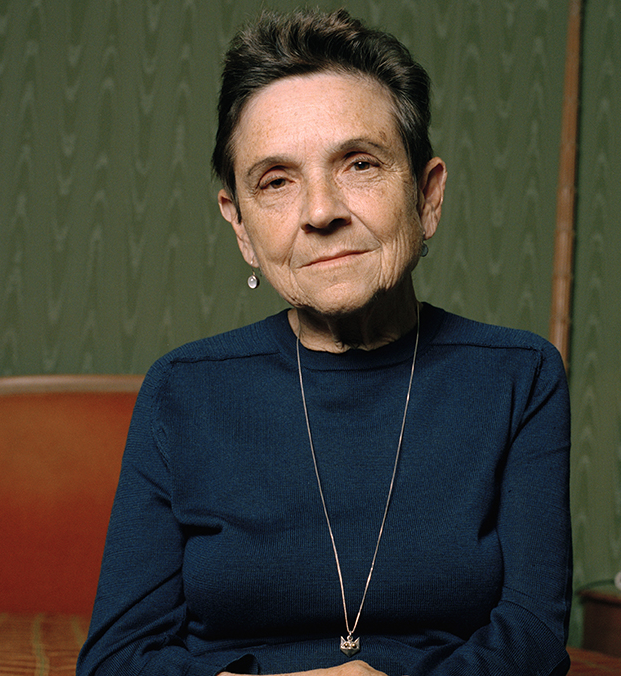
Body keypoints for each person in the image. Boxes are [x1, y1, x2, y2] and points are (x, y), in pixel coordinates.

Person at [76, 9, 572, 676]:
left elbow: (533, 634)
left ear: (426, 196)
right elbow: (115, 660)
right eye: (276, 181)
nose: (319, 212)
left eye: (359, 163)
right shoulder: (182, 389)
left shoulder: (522, 376)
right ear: (242, 227)